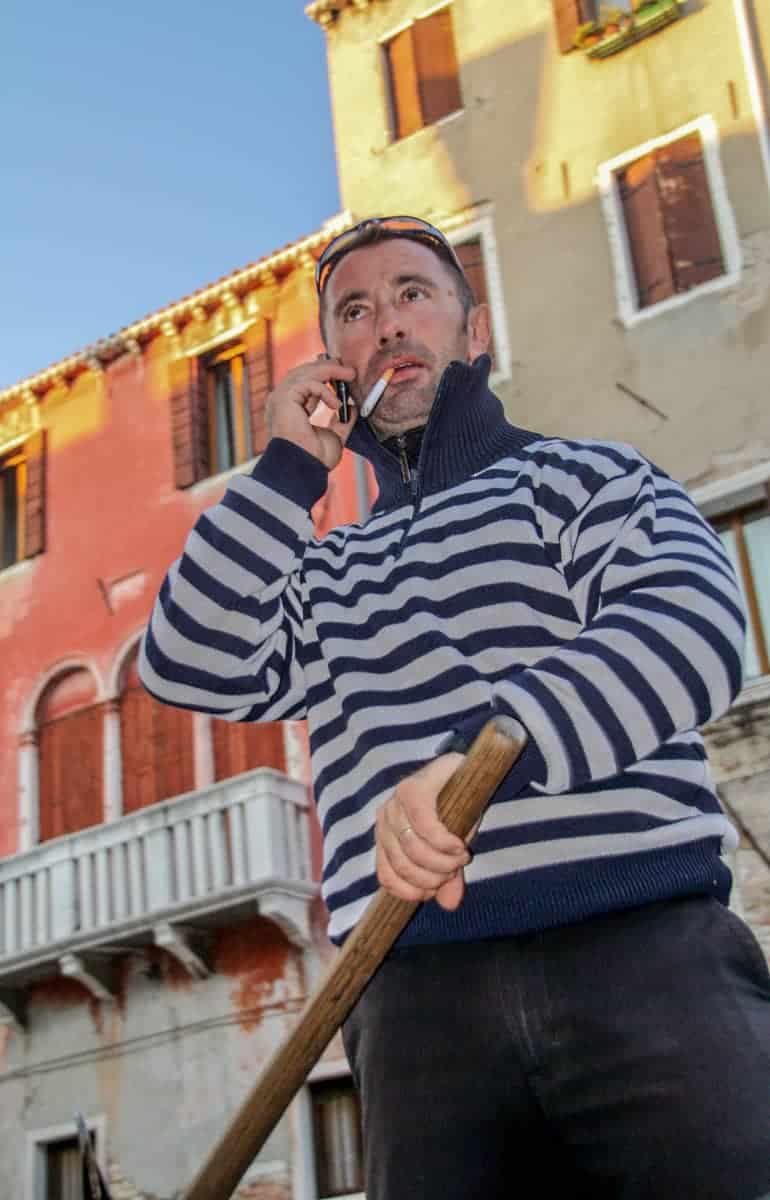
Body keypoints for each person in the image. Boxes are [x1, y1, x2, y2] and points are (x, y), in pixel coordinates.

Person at [140, 216, 770, 1199]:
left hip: (645, 959)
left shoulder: (581, 480)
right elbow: (184, 662)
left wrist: (489, 752)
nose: (385, 321)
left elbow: (690, 627)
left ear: (471, 335)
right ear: (335, 364)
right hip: (411, 1005)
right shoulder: (322, 576)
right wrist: (285, 474)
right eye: (354, 310)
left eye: (411, 294)